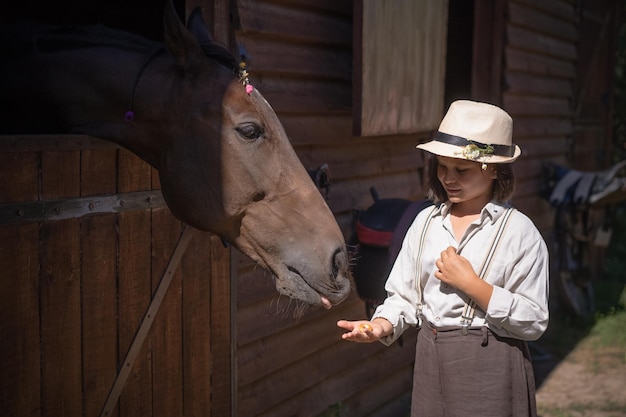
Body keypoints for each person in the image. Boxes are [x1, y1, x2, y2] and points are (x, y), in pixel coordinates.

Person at [337, 100, 549, 417]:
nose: (448, 178)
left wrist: (474, 286)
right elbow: (404, 295)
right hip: (430, 358)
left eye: (461, 170)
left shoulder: (519, 233)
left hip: (490, 362)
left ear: (491, 169)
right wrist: (381, 324)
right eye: (442, 167)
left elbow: (534, 320)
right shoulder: (425, 224)